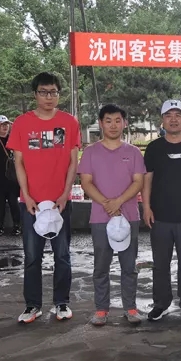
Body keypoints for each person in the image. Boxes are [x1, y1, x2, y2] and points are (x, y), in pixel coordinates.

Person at [7, 72, 81, 324]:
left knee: (62, 255)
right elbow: (18, 163)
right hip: (31, 203)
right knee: (32, 257)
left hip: (61, 202)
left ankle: (62, 303)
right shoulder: (22, 123)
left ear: (59, 94)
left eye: (53, 92)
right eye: (43, 92)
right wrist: (27, 196)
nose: (49, 97)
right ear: (35, 94)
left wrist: (65, 194)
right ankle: (33, 305)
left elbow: (73, 162)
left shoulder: (69, 122)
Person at [78, 104, 145, 326]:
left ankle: (131, 308)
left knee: (129, 266)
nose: (113, 125)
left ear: (124, 123)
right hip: (100, 216)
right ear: (101, 123)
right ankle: (101, 309)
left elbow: (138, 182)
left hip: (129, 216)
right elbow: (86, 182)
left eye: (118, 120)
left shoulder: (133, 152)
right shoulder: (90, 152)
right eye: (108, 121)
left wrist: (118, 201)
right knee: (101, 266)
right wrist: (107, 204)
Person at [142, 99, 181, 321]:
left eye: (178, 115)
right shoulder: (154, 148)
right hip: (160, 216)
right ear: (162, 120)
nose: (174, 119)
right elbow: (147, 180)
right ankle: (161, 303)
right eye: (169, 115)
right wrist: (146, 207)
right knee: (160, 263)